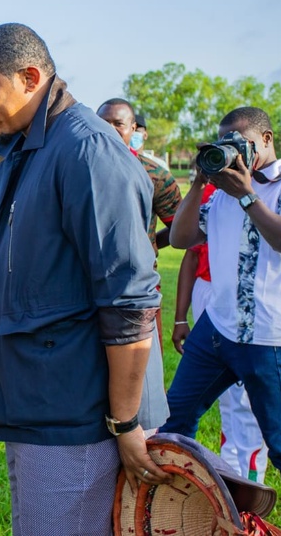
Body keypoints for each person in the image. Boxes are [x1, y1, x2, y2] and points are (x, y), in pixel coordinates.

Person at [0, 22, 170, 534]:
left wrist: (126, 422)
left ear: (30, 77)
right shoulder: (26, 148)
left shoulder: (87, 151)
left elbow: (130, 303)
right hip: (37, 398)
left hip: (81, 415)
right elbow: (15, 281)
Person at [163, 106, 281, 498]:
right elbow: (181, 239)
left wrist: (248, 195)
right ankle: (179, 506)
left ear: (266, 140)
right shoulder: (221, 191)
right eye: (225, 146)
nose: (234, 154)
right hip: (216, 330)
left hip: (268, 339)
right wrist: (201, 182)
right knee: (173, 421)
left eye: (242, 144)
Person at [172, 179, 269, 483]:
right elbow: (187, 249)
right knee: (224, 400)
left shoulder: (270, 191)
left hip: (252, 306)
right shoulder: (212, 193)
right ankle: (229, 478)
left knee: (247, 403)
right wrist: (179, 318)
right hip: (211, 297)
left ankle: (252, 480)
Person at [96, 98, 182, 434]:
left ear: (134, 130)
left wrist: (148, 246)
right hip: (88, 285)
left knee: (142, 370)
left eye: (118, 123)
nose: (110, 129)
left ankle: (142, 432)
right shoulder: (80, 166)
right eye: (103, 122)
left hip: (137, 289)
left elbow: (180, 226)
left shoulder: (153, 173)